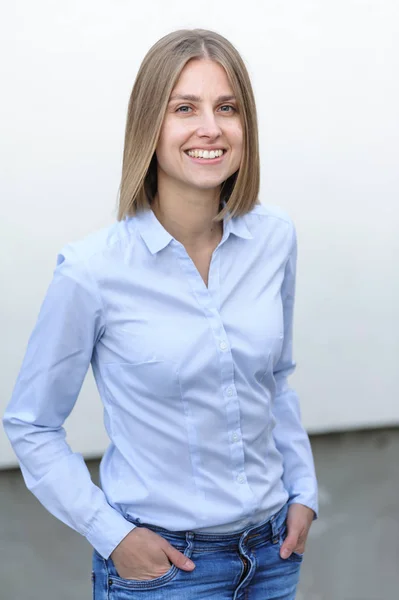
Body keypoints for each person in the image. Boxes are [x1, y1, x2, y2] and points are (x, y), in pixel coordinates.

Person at [3, 28, 318, 600]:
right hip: (166, 572)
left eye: (227, 107)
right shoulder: (92, 270)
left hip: (274, 555)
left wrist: (304, 493)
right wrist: (113, 536)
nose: (211, 127)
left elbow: (275, 379)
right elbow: (31, 423)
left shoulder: (275, 238)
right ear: (150, 124)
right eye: (184, 108)